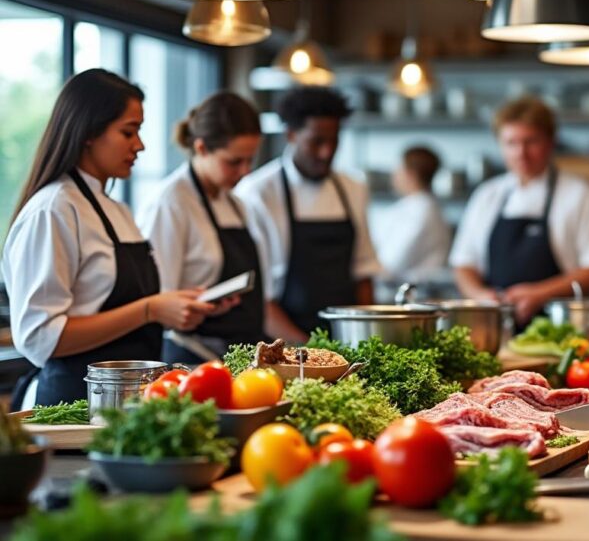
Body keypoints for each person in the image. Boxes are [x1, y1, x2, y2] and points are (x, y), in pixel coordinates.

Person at [1, 69, 221, 408]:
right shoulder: (53, 209)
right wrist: (149, 309)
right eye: (128, 132)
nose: (140, 145)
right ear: (89, 132)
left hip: (129, 403)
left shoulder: (116, 210)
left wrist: (176, 305)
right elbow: (40, 338)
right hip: (75, 405)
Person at [450, 97, 589, 326]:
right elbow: (463, 265)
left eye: (530, 142)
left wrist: (540, 294)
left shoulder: (582, 196)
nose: (521, 153)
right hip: (495, 328)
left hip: (563, 328)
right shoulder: (487, 196)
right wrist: (481, 296)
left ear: (551, 142)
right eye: (511, 143)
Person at [236, 87, 380, 342]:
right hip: (282, 342)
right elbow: (260, 300)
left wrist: (366, 341)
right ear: (291, 135)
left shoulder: (353, 188)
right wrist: (310, 352)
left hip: (347, 339)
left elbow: (363, 273)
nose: (326, 152)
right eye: (316, 142)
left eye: (334, 142)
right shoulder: (258, 193)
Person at [137, 92, 267, 364]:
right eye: (234, 161)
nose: (245, 171)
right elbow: (158, 300)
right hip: (192, 356)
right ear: (201, 148)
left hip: (240, 354)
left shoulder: (235, 203)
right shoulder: (171, 203)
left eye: (250, 160)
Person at [372, 145, 451, 282]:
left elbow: (391, 264)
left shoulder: (421, 212)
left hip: (411, 289)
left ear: (410, 174)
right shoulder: (415, 207)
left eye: (398, 169)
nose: (394, 174)